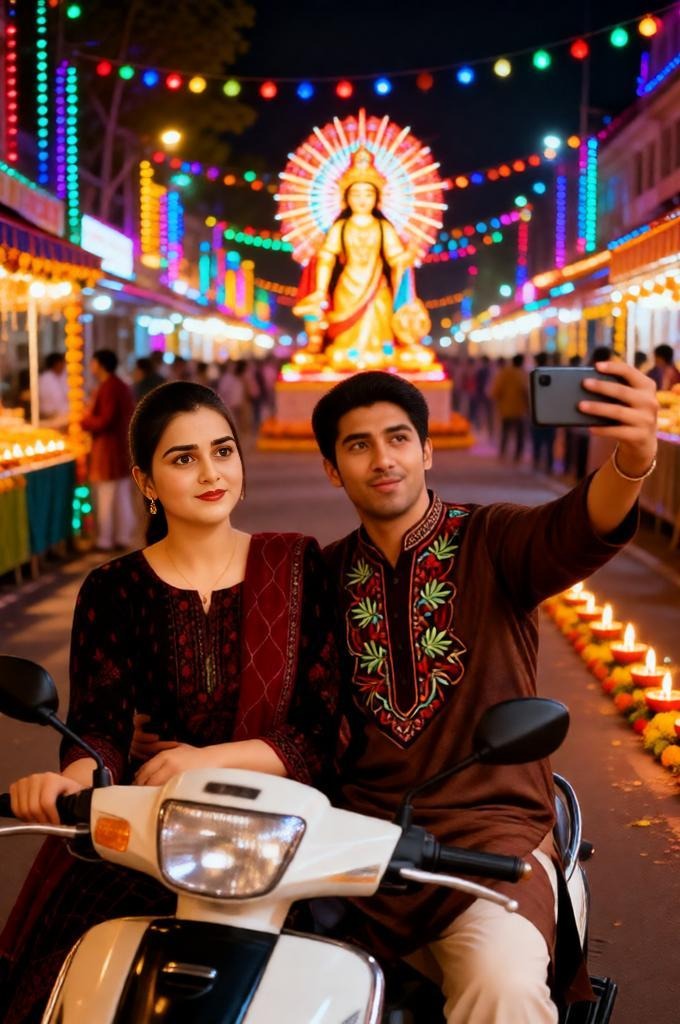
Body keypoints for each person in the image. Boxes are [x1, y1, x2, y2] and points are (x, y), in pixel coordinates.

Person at [308, 367, 657, 1024]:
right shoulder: (322, 576)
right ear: (333, 468)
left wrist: (633, 461)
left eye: (398, 438)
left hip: (492, 843)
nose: (382, 459)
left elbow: (578, 525)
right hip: (359, 846)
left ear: (426, 450)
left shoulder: (491, 539)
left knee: (502, 988)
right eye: (358, 445)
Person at [0, 381, 340, 1022]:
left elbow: (324, 731)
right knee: (70, 985)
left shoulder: (297, 564)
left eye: (223, 451)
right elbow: (97, 727)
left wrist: (204, 761)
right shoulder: (113, 587)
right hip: (150, 837)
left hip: (281, 832)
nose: (211, 472)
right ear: (146, 480)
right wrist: (69, 784)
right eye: (183, 458)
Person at [292, 147, 431, 371]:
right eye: (356, 194)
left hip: (377, 287)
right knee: (344, 340)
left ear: (377, 198)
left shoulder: (383, 226)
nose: (362, 199)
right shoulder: (341, 226)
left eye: (368, 194)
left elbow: (395, 258)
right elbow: (327, 257)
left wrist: (408, 256)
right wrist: (319, 289)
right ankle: (345, 351)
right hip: (348, 286)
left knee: (379, 322)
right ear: (346, 198)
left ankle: (382, 351)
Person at [82, 348, 137, 551]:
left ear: (100, 364)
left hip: (108, 450)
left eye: (93, 362)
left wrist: (84, 421)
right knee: (120, 494)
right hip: (119, 448)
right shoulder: (119, 385)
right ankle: (122, 536)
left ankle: (105, 539)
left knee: (106, 496)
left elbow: (105, 419)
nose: (91, 367)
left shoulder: (109, 388)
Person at [490, 352, 529, 461]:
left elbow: (496, 390)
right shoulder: (522, 374)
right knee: (519, 434)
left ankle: (502, 453)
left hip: (505, 409)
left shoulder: (504, 373)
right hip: (519, 410)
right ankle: (517, 455)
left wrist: (498, 402)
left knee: (505, 432)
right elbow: (526, 392)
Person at [530, 353, 557, 475]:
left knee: (537, 441)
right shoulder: (554, 375)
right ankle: (549, 466)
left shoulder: (532, 375)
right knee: (549, 442)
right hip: (551, 415)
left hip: (536, 414)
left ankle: (536, 463)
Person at [38, 352, 69, 427]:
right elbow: (55, 400)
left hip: (63, 415)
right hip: (50, 416)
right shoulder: (45, 379)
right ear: (55, 364)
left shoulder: (64, 376)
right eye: (62, 363)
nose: (63, 365)